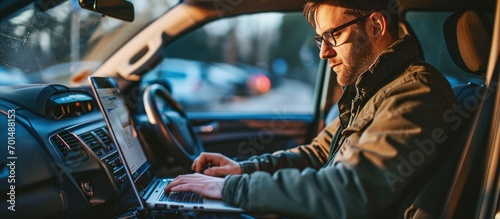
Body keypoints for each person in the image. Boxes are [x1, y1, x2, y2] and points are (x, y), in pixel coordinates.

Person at [165, 0, 456, 218]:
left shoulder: (416, 91)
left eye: (334, 36)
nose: (323, 52)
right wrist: (240, 170)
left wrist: (231, 189)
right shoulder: (371, 90)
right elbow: (317, 153)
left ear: (376, 26)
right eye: (321, 38)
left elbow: (349, 191)